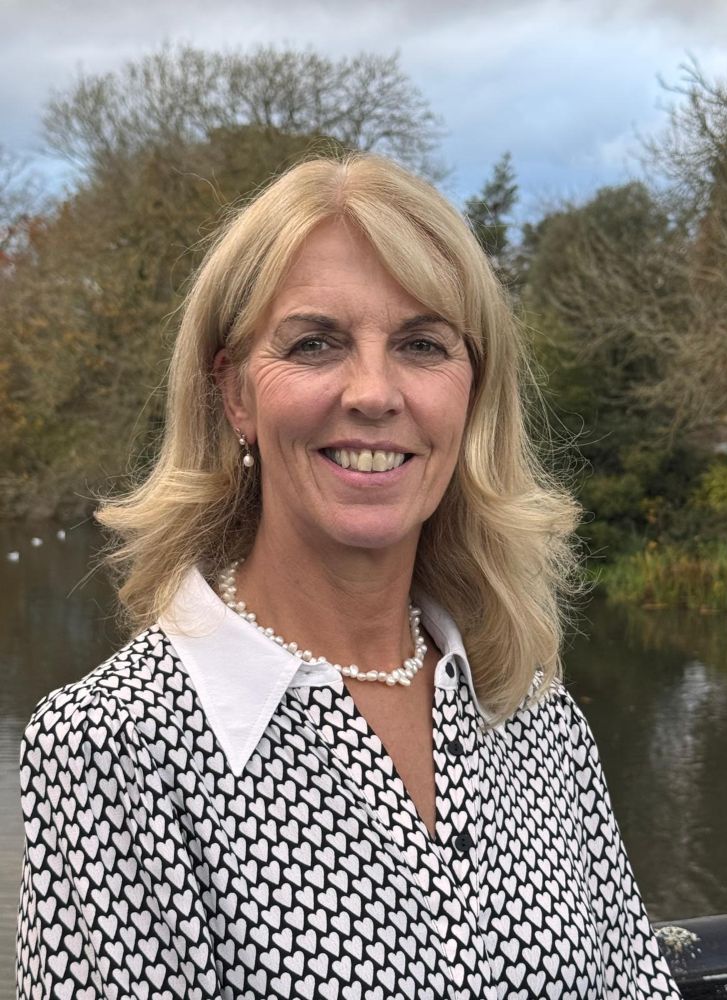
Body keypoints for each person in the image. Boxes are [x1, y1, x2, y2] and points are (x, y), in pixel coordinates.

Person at [16, 153, 682, 1000]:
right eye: (315, 343)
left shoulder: (536, 717)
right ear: (236, 395)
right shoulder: (116, 748)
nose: (374, 392)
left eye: (421, 344)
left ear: (472, 394)